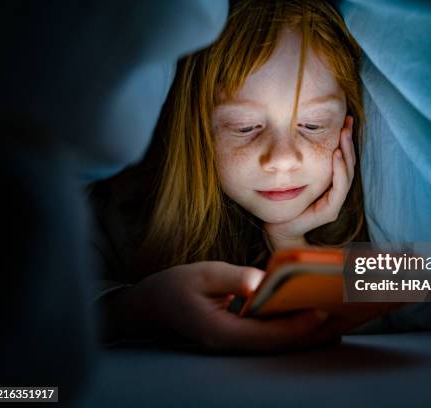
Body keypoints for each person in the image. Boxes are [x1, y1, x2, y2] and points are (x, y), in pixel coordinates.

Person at [89, 0, 393, 352]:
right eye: (245, 127)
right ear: (199, 129)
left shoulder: (379, 215)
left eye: (313, 125)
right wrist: (143, 305)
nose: (282, 160)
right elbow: (22, 308)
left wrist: (292, 246)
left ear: (347, 122)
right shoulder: (124, 212)